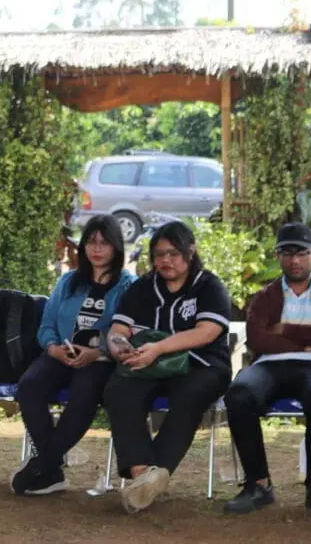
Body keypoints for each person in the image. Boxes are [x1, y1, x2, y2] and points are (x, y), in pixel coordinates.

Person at [102, 220, 232, 514]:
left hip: (202, 365)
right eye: (159, 255)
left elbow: (207, 332)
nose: (165, 261)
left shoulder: (209, 286)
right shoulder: (142, 288)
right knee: (119, 389)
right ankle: (142, 476)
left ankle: (154, 471)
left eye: (173, 254)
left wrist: (159, 348)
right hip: (148, 364)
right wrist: (117, 345)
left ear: (191, 251)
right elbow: (118, 328)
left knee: (190, 394)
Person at [223, 222, 311, 517]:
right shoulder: (265, 296)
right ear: (278, 256)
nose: (295, 260)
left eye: (302, 252)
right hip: (269, 365)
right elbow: (257, 338)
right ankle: (258, 484)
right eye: (287, 253)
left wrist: (284, 329)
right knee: (239, 393)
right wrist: (308, 338)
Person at [13, 214, 135, 496]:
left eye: (104, 243)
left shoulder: (128, 285)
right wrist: (53, 348)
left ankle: (41, 465)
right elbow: (46, 326)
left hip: (100, 360)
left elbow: (129, 331)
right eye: (91, 242)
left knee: (85, 392)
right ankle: (52, 470)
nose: (97, 249)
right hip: (61, 354)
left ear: (116, 247)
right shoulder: (68, 281)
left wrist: (98, 351)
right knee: (30, 386)